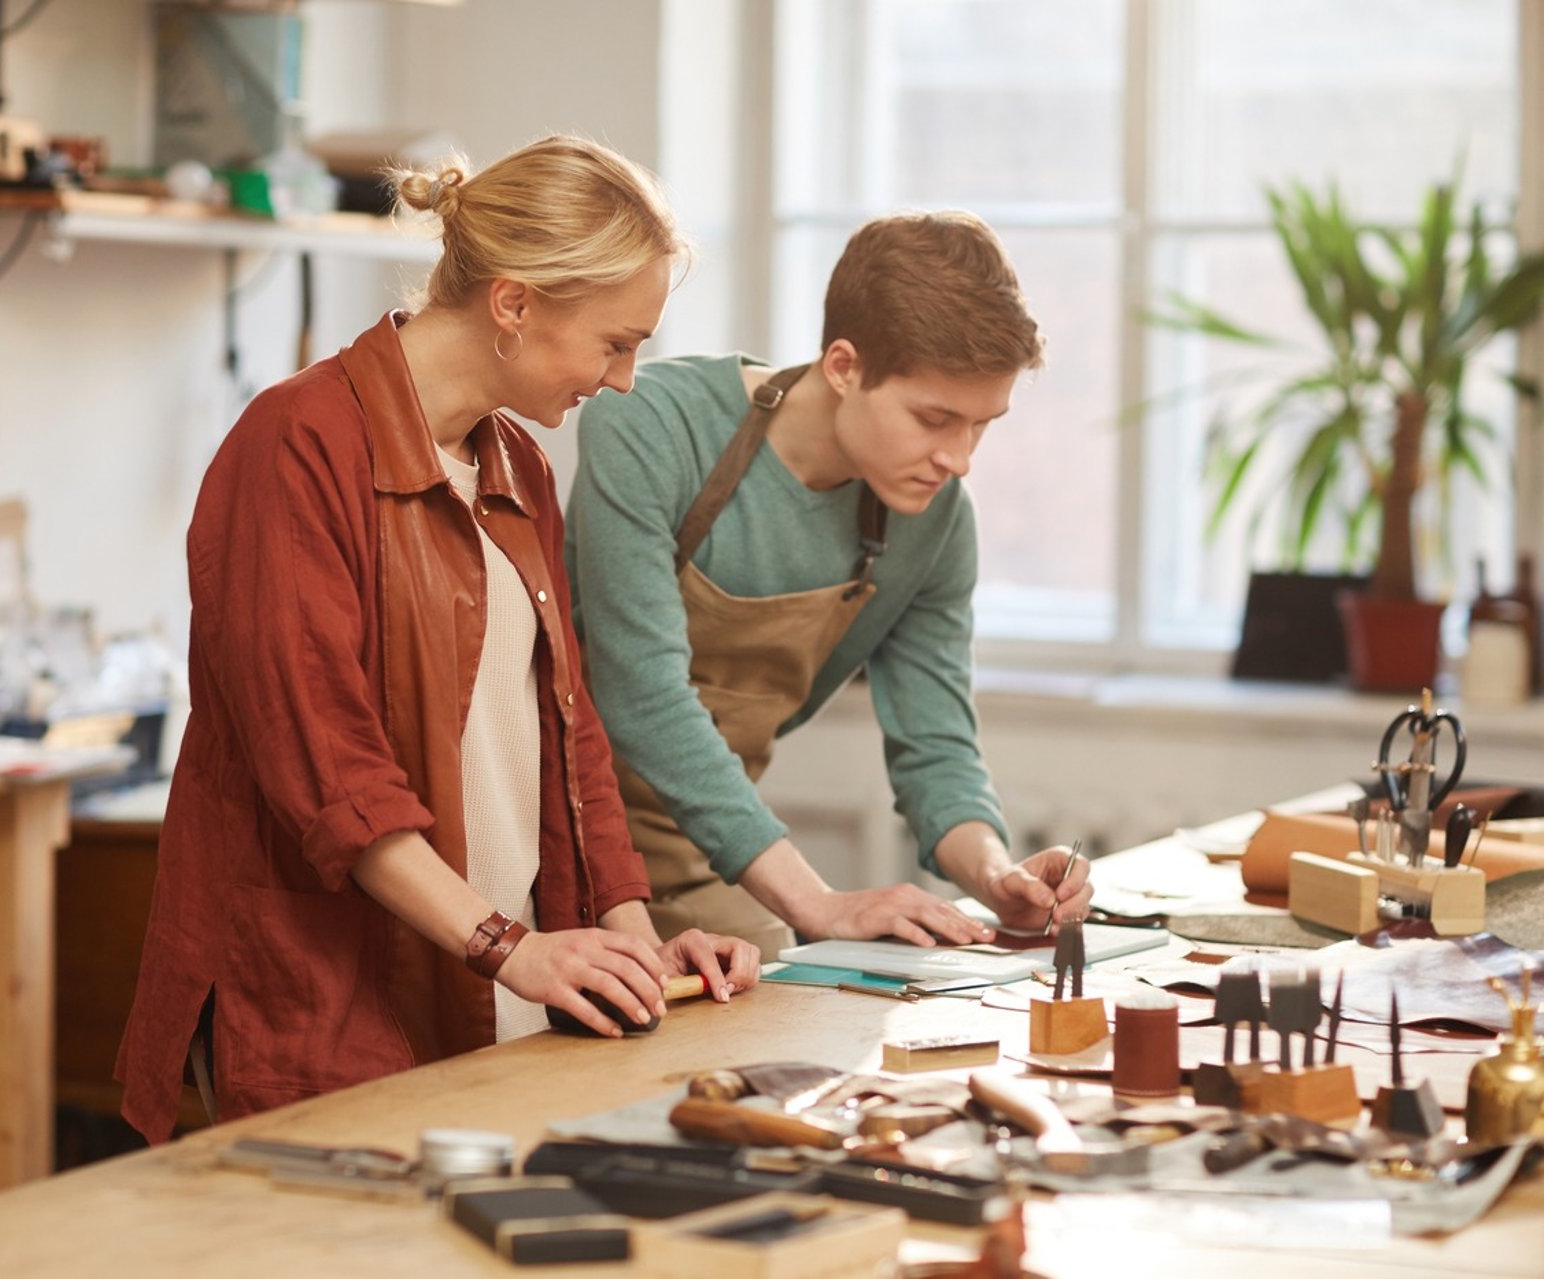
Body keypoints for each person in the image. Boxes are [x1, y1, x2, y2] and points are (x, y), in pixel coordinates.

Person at [116, 136, 761, 1144]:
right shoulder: (295, 444)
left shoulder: (517, 466)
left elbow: (570, 741)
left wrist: (639, 946)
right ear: (514, 304)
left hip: (486, 985)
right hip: (320, 1005)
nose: (626, 380)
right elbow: (331, 774)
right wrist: (511, 946)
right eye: (615, 342)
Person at [565, 211, 1093, 958]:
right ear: (843, 366)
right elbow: (641, 697)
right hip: (548, 828)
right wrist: (817, 902)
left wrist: (998, 874)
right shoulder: (652, 425)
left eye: (982, 424)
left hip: (700, 849)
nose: (960, 459)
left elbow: (935, 746)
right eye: (935, 418)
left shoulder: (935, 522)